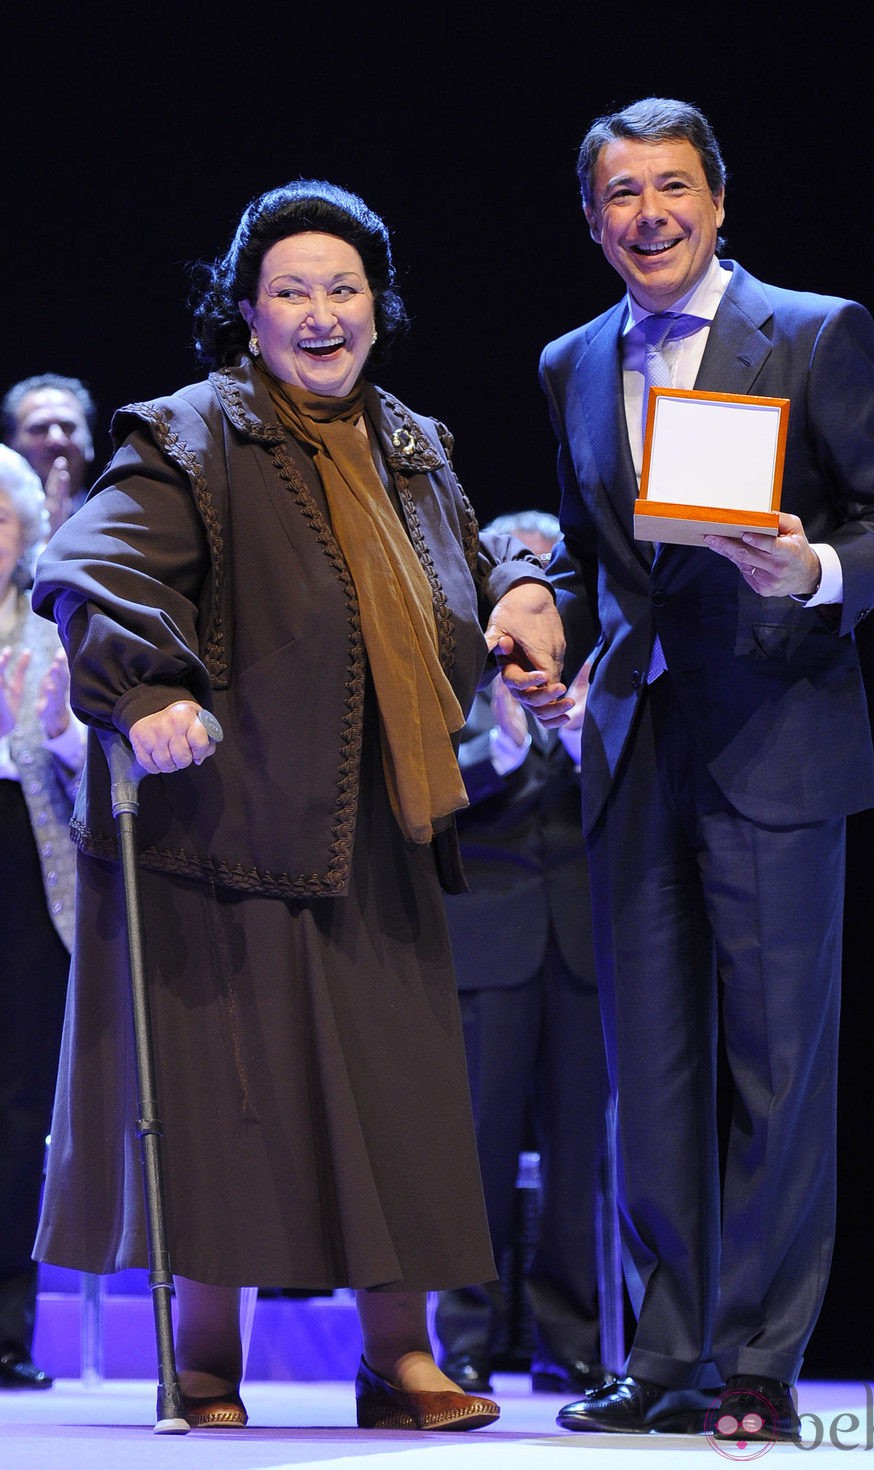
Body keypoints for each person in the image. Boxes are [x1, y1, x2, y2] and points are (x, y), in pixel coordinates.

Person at [29, 178, 565, 1432]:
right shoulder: (193, 431)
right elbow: (89, 566)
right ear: (248, 313)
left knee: (400, 1100)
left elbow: (476, 562)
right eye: (292, 292)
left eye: (343, 288)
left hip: (381, 823)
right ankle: (204, 1361)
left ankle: (400, 1361)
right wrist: (147, 689)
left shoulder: (413, 443)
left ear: (378, 304)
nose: (321, 314)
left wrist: (526, 587)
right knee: (232, 1101)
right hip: (228, 824)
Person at [496, 96, 874, 1443]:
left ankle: (757, 1357)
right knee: (656, 1070)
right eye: (622, 196)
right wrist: (534, 596)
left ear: (720, 200)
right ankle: (667, 1351)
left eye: (673, 188)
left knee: (776, 1064)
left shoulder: (812, 331)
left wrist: (809, 571)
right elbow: (585, 544)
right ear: (591, 218)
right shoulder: (573, 357)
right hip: (636, 743)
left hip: (779, 732)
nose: (650, 217)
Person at [435, 509, 612, 1400]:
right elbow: (427, 788)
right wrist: (503, 740)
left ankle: (569, 1340)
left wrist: (579, 731)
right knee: (476, 1149)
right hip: (490, 938)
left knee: (580, 1153)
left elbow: (634, 779)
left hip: (584, 939)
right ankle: (463, 1340)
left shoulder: (597, 662)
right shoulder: (464, 663)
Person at [0, 445, 83, 1389]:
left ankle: (7, 1329)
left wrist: (57, 730)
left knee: (22, 1110)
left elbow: (84, 767)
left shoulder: (46, 633)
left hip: (28, 873)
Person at [1, 374, 97, 539]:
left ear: (90, 440)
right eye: (39, 428)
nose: (56, 439)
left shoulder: (119, 518)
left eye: (68, 426)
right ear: (10, 444)